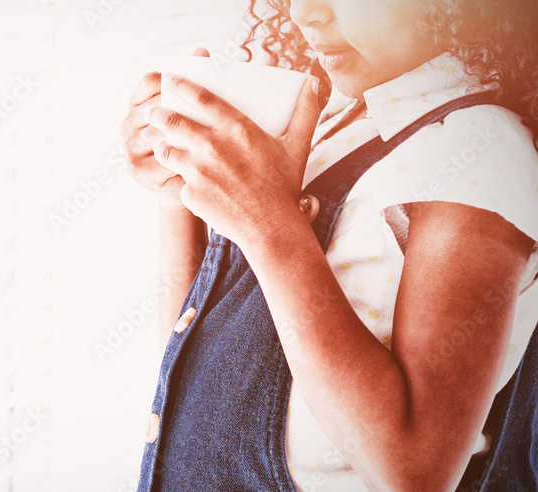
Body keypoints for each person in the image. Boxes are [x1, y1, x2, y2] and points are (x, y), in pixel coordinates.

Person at [119, 0, 538, 490]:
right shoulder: (334, 124)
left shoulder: (478, 152)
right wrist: (178, 199)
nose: (305, 14)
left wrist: (270, 224)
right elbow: (194, 356)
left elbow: (415, 471)